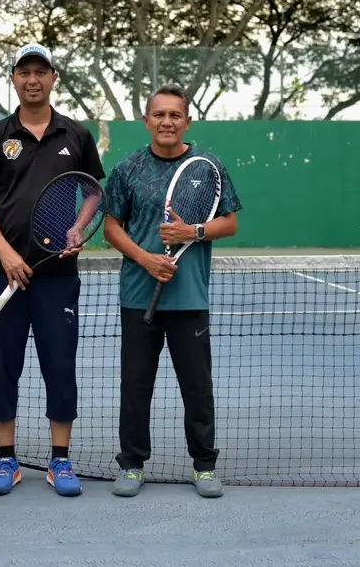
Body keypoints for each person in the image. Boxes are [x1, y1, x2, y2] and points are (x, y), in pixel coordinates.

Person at [0, 43, 105, 497]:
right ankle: (7, 460)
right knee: (3, 367)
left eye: (40, 72)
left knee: (60, 366)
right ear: (13, 78)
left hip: (57, 276)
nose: (33, 79)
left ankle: (59, 460)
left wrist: (78, 228)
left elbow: (92, 191)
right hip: (2, 273)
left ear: (53, 78)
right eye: (24, 72)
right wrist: (6, 254)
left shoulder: (76, 134)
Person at [103, 83, 241, 499]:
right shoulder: (127, 169)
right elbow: (112, 228)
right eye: (159, 114)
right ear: (146, 120)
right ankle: (132, 464)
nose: (167, 122)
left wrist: (192, 232)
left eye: (175, 115)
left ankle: (204, 466)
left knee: (197, 387)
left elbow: (229, 223)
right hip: (137, 296)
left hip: (190, 297)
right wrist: (146, 260)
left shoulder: (208, 166)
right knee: (136, 385)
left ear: (187, 121)